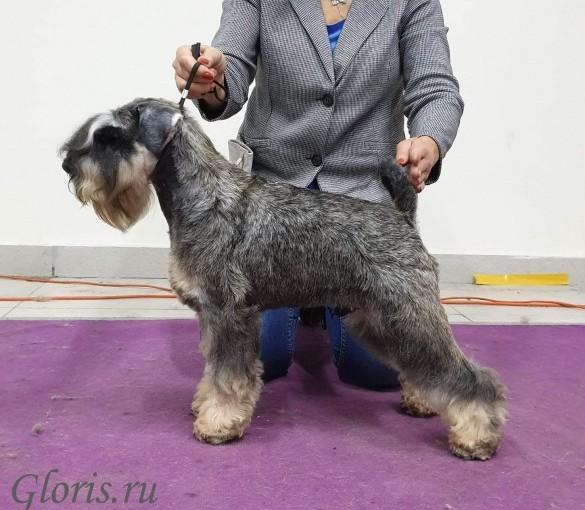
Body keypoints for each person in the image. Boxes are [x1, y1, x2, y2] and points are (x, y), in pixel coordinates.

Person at [172, 0, 464, 390]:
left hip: (361, 204)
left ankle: (320, 305)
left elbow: (435, 86)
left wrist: (429, 139)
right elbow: (232, 68)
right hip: (271, 204)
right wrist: (212, 79)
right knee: (261, 354)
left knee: (378, 370)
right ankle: (310, 307)